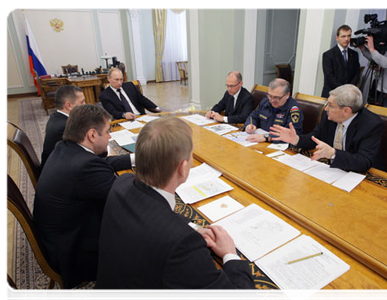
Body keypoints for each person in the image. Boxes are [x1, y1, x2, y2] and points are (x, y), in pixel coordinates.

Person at [93, 117, 256, 300]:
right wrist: (229, 255)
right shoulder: (182, 245)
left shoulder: (122, 183)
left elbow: (155, 211)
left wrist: (193, 228)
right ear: (183, 167)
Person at [33, 105, 133, 289]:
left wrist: (135, 159)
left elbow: (100, 163)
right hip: (73, 251)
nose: (110, 137)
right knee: (142, 236)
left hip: (58, 235)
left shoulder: (66, 147)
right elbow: (128, 199)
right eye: (108, 132)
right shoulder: (85, 167)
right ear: (92, 135)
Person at [270, 84, 384, 173]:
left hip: (357, 176)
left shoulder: (371, 125)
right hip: (330, 171)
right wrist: (296, 139)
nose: (326, 109)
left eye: (330, 105)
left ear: (346, 111)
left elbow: (364, 162)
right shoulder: (329, 116)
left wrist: (334, 154)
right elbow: (314, 138)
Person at [244, 78, 303, 143]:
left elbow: (292, 135)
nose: (272, 100)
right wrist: (249, 125)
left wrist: (267, 137)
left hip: (278, 146)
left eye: (276, 97)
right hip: (259, 141)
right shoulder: (265, 102)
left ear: (287, 95)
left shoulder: (293, 110)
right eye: (270, 96)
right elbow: (253, 116)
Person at [40, 85, 86, 169]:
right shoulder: (65, 127)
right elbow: (85, 153)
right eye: (82, 102)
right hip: (59, 172)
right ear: (68, 105)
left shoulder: (55, 117)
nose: (85, 104)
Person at [321, 25, 361, 98]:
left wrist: (349, 89)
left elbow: (357, 73)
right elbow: (329, 76)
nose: (346, 39)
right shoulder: (328, 55)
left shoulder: (354, 54)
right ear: (337, 38)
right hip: (332, 94)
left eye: (349, 36)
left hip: (348, 95)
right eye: (343, 36)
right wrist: (344, 90)